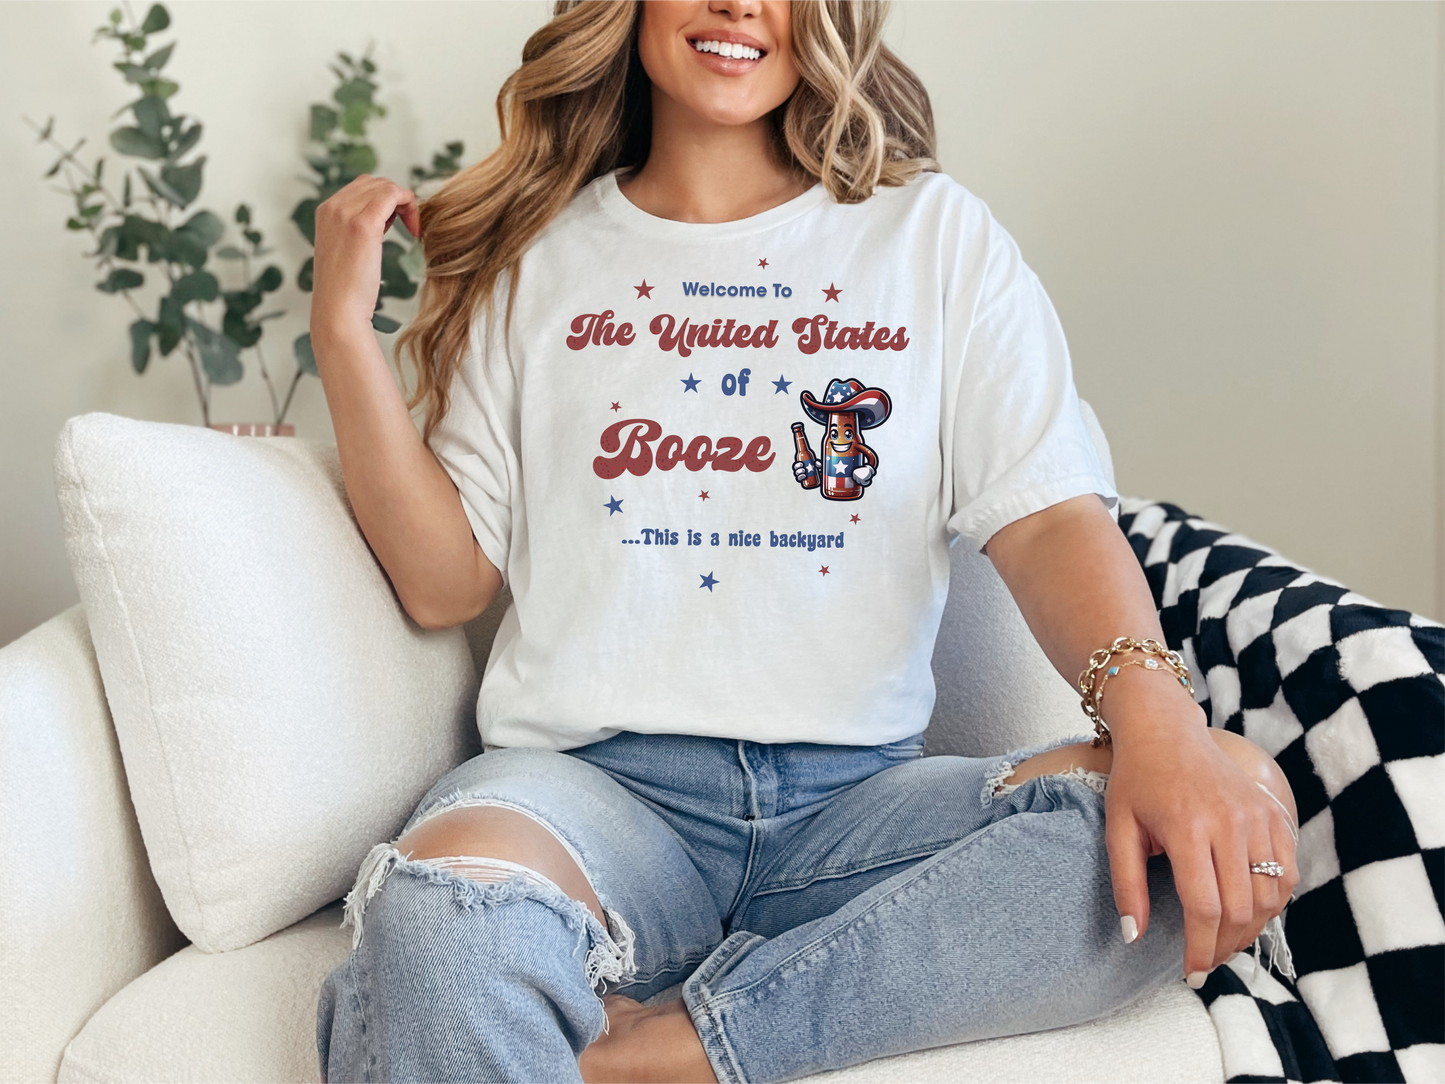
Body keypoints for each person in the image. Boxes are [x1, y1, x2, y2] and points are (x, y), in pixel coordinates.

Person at [309, 1, 1301, 1081]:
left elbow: (1049, 517)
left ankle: (660, 1051)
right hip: (588, 798)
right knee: (442, 923)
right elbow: (443, 581)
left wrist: (1154, 719)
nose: (741, 5)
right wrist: (342, 337)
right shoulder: (538, 258)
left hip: (853, 818)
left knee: (1228, 802)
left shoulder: (934, 240)